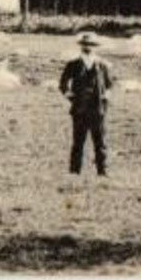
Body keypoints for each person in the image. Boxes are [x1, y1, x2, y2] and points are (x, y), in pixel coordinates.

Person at [58, 32, 113, 177]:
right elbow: (62, 84)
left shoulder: (102, 66)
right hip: (80, 110)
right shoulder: (73, 64)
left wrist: (105, 99)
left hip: (97, 110)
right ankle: (74, 172)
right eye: (85, 44)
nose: (88, 47)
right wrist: (71, 97)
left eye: (91, 45)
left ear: (95, 47)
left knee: (100, 142)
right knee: (78, 142)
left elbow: (109, 85)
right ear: (81, 46)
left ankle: (102, 171)